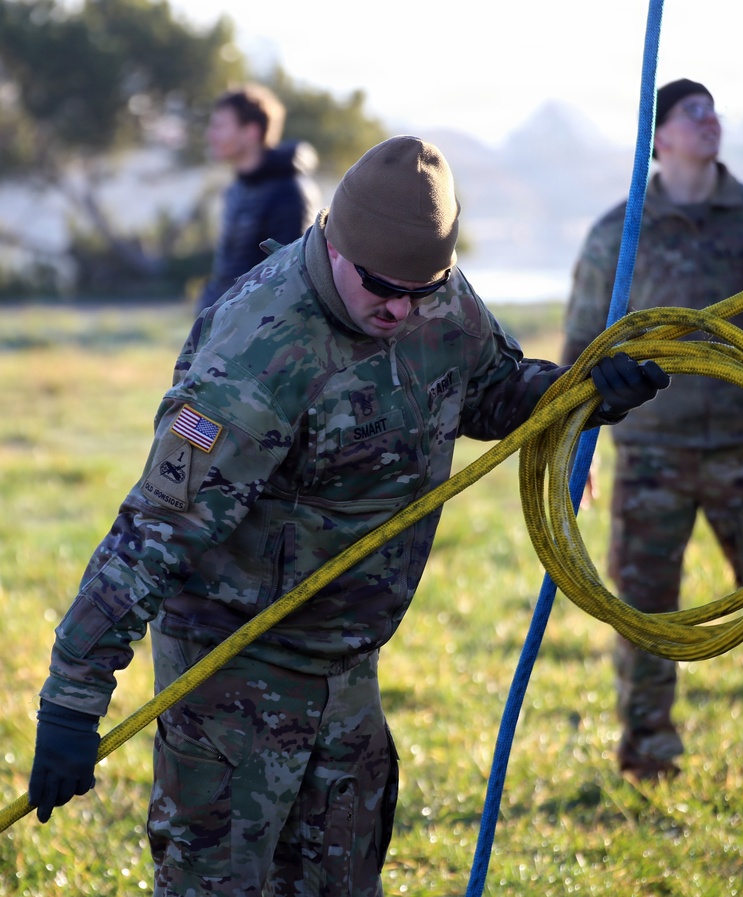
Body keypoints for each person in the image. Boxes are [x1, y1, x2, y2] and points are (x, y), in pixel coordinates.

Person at [28, 136, 670, 896]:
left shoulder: (440, 299)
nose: (400, 308)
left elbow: (490, 388)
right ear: (334, 241)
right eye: (381, 287)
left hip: (346, 668)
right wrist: (71, 703)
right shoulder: (259, 356)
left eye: (420, 290)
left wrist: (581, 391)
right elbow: (150, 536)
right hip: (233, 673)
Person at [562, 79, 743, 784]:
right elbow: (583, 343)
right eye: (693, 112)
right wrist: (576, 441)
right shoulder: (620, 230)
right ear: (657, 138)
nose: (710, 120)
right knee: (643, 612)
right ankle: (649, 758)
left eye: (713, 110)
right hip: (650, 454)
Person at [197, 83, 321, 314]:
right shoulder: (237, 189)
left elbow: (291, 281)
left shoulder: (291, 190)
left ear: (251, 131)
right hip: (226, 331)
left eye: (220, 126)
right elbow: (227, 274)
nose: (210, 135)